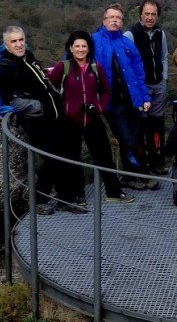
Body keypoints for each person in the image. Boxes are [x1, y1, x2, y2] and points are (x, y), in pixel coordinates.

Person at [47, 31, 134, 205]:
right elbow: (51, 88)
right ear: (70, 48)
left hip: (93, 118)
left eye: (84, 46)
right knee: (72, 158)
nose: (80, 49)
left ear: (89, 48)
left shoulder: (96, 67)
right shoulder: (62, 67)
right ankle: (77, 195)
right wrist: (63, 109)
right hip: (70, 121)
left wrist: (99, 107)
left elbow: (106, 90)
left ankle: (114, 191)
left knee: (103, 157)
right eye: (77, 46)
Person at [0, 25, 71, 215]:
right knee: (53, 159)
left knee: (60, 156)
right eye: (14, 41)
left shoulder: (28, 57)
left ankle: (60, 198)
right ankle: (44, 201)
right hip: (36, 121)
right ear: (6, 44)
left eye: (21, 40)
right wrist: (41, 107)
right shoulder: (5, 67)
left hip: (53, 116)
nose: (19, 44)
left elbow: (42, 82)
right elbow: (10, 100)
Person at [92, 3, 156, 189]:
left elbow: (139, 73)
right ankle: (139, 174)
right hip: (111, 103)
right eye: (111, 17)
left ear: (122, 21)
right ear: (104, 20)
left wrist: (145, 98)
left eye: (118, 18)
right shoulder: (93, 41)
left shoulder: (127, 43)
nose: (114, 20)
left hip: (132, 100)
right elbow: (72, 60)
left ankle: (131, 176)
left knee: (135, 137)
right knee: (126, 138)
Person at [125, 0, 169, 174]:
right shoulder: (131, 35)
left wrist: (164, 79)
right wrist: (135, 87)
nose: (150, 17)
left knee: (157, 126)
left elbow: (164, 56)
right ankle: (142, 166)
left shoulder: (161, 34)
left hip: (158, 85)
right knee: (140, 127)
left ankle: (157, 162)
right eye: (147, 13)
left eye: (153, 14)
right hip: (140, 89)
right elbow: (126, 64)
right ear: (140, 14)